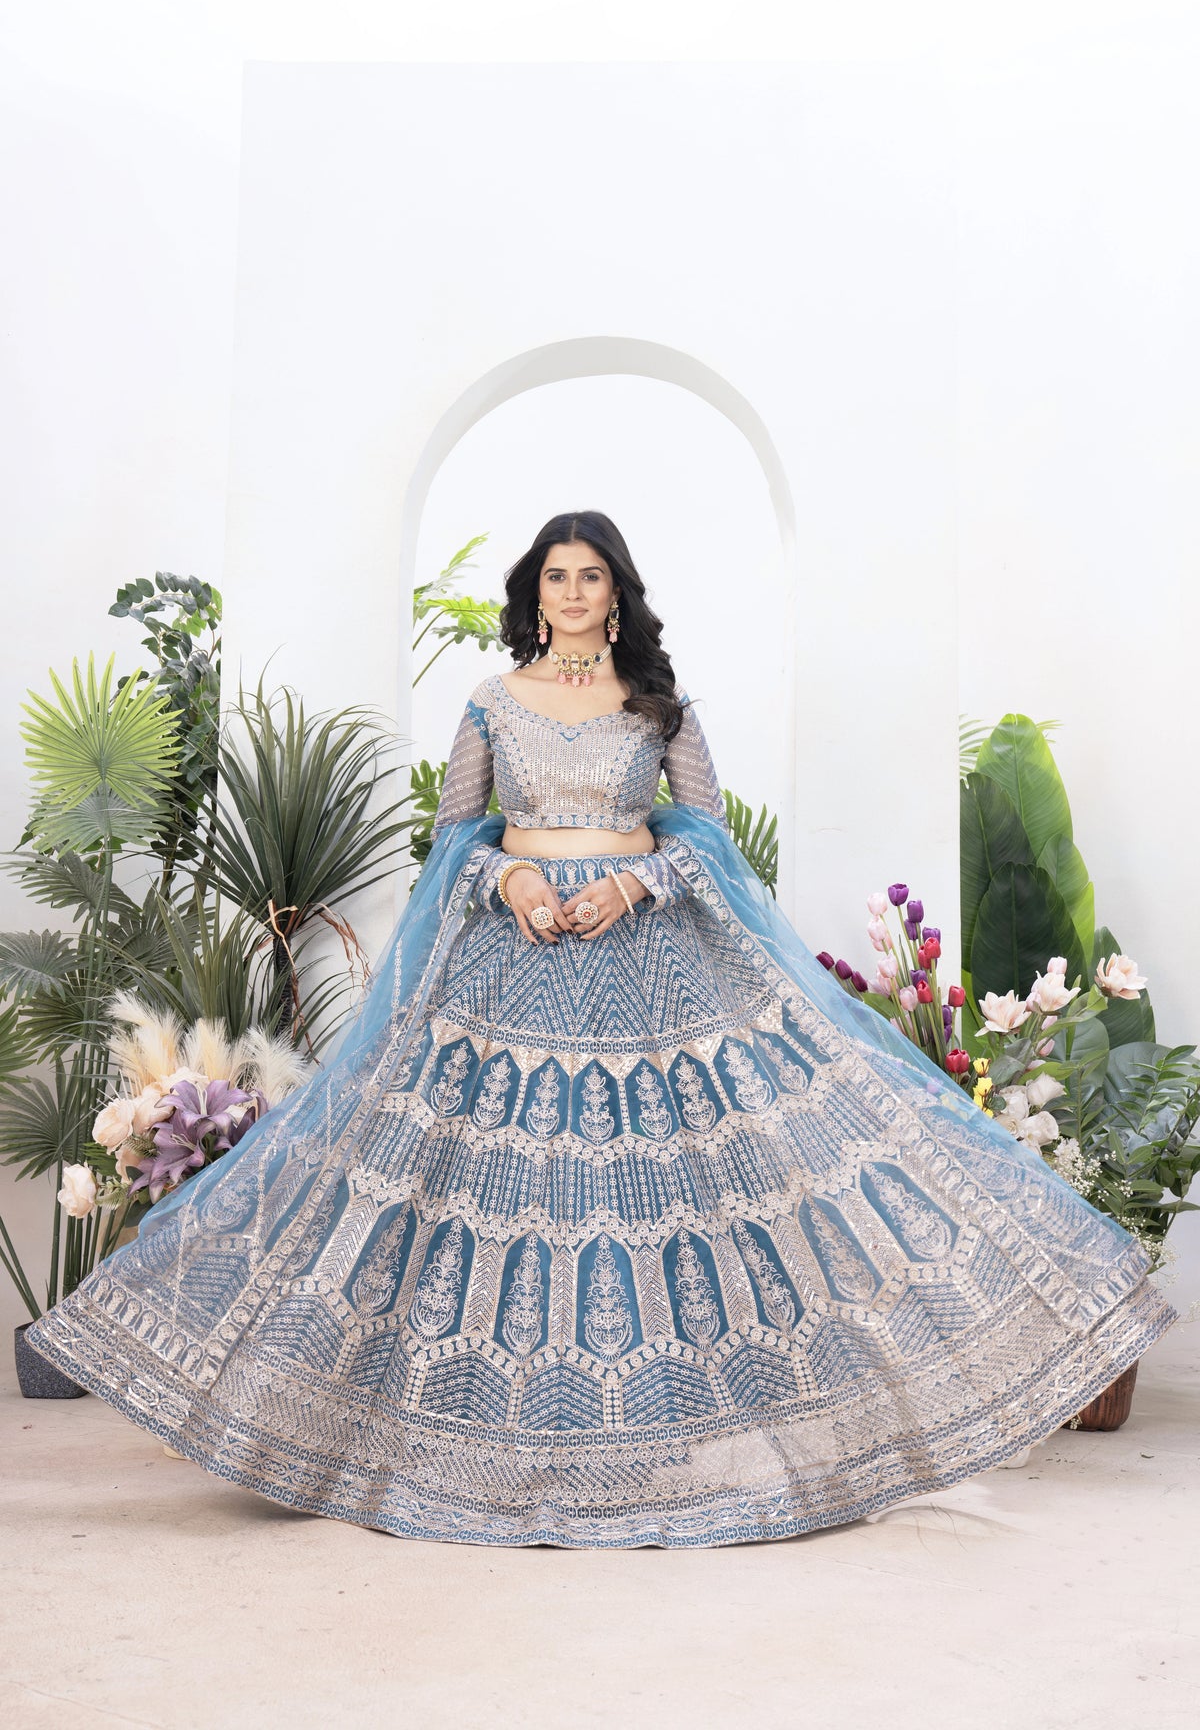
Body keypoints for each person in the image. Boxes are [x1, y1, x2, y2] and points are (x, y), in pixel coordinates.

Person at [27, 510, 1176, 1548]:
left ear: (616, 595)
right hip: (507, 966)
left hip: (648, 964)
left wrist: (634, 887)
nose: (572, 593)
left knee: (691, 1182)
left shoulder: (656, 707)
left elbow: (709, 841)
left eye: (591, 578)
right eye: (556, 578)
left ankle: (694, 1440)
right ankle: (442, 1441)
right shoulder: (491, 703)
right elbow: (457, 840)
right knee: (470, 1183)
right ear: (534, 594)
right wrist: (514, 890)